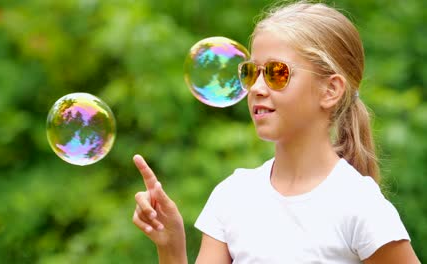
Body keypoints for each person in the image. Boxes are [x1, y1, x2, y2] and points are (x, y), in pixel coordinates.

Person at [132, 1, 420, 263]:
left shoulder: (359, 204)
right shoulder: (233, 196)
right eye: (250, 72)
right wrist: (170, 247)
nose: (256, 88)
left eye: (276, 73)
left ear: (330, 90)